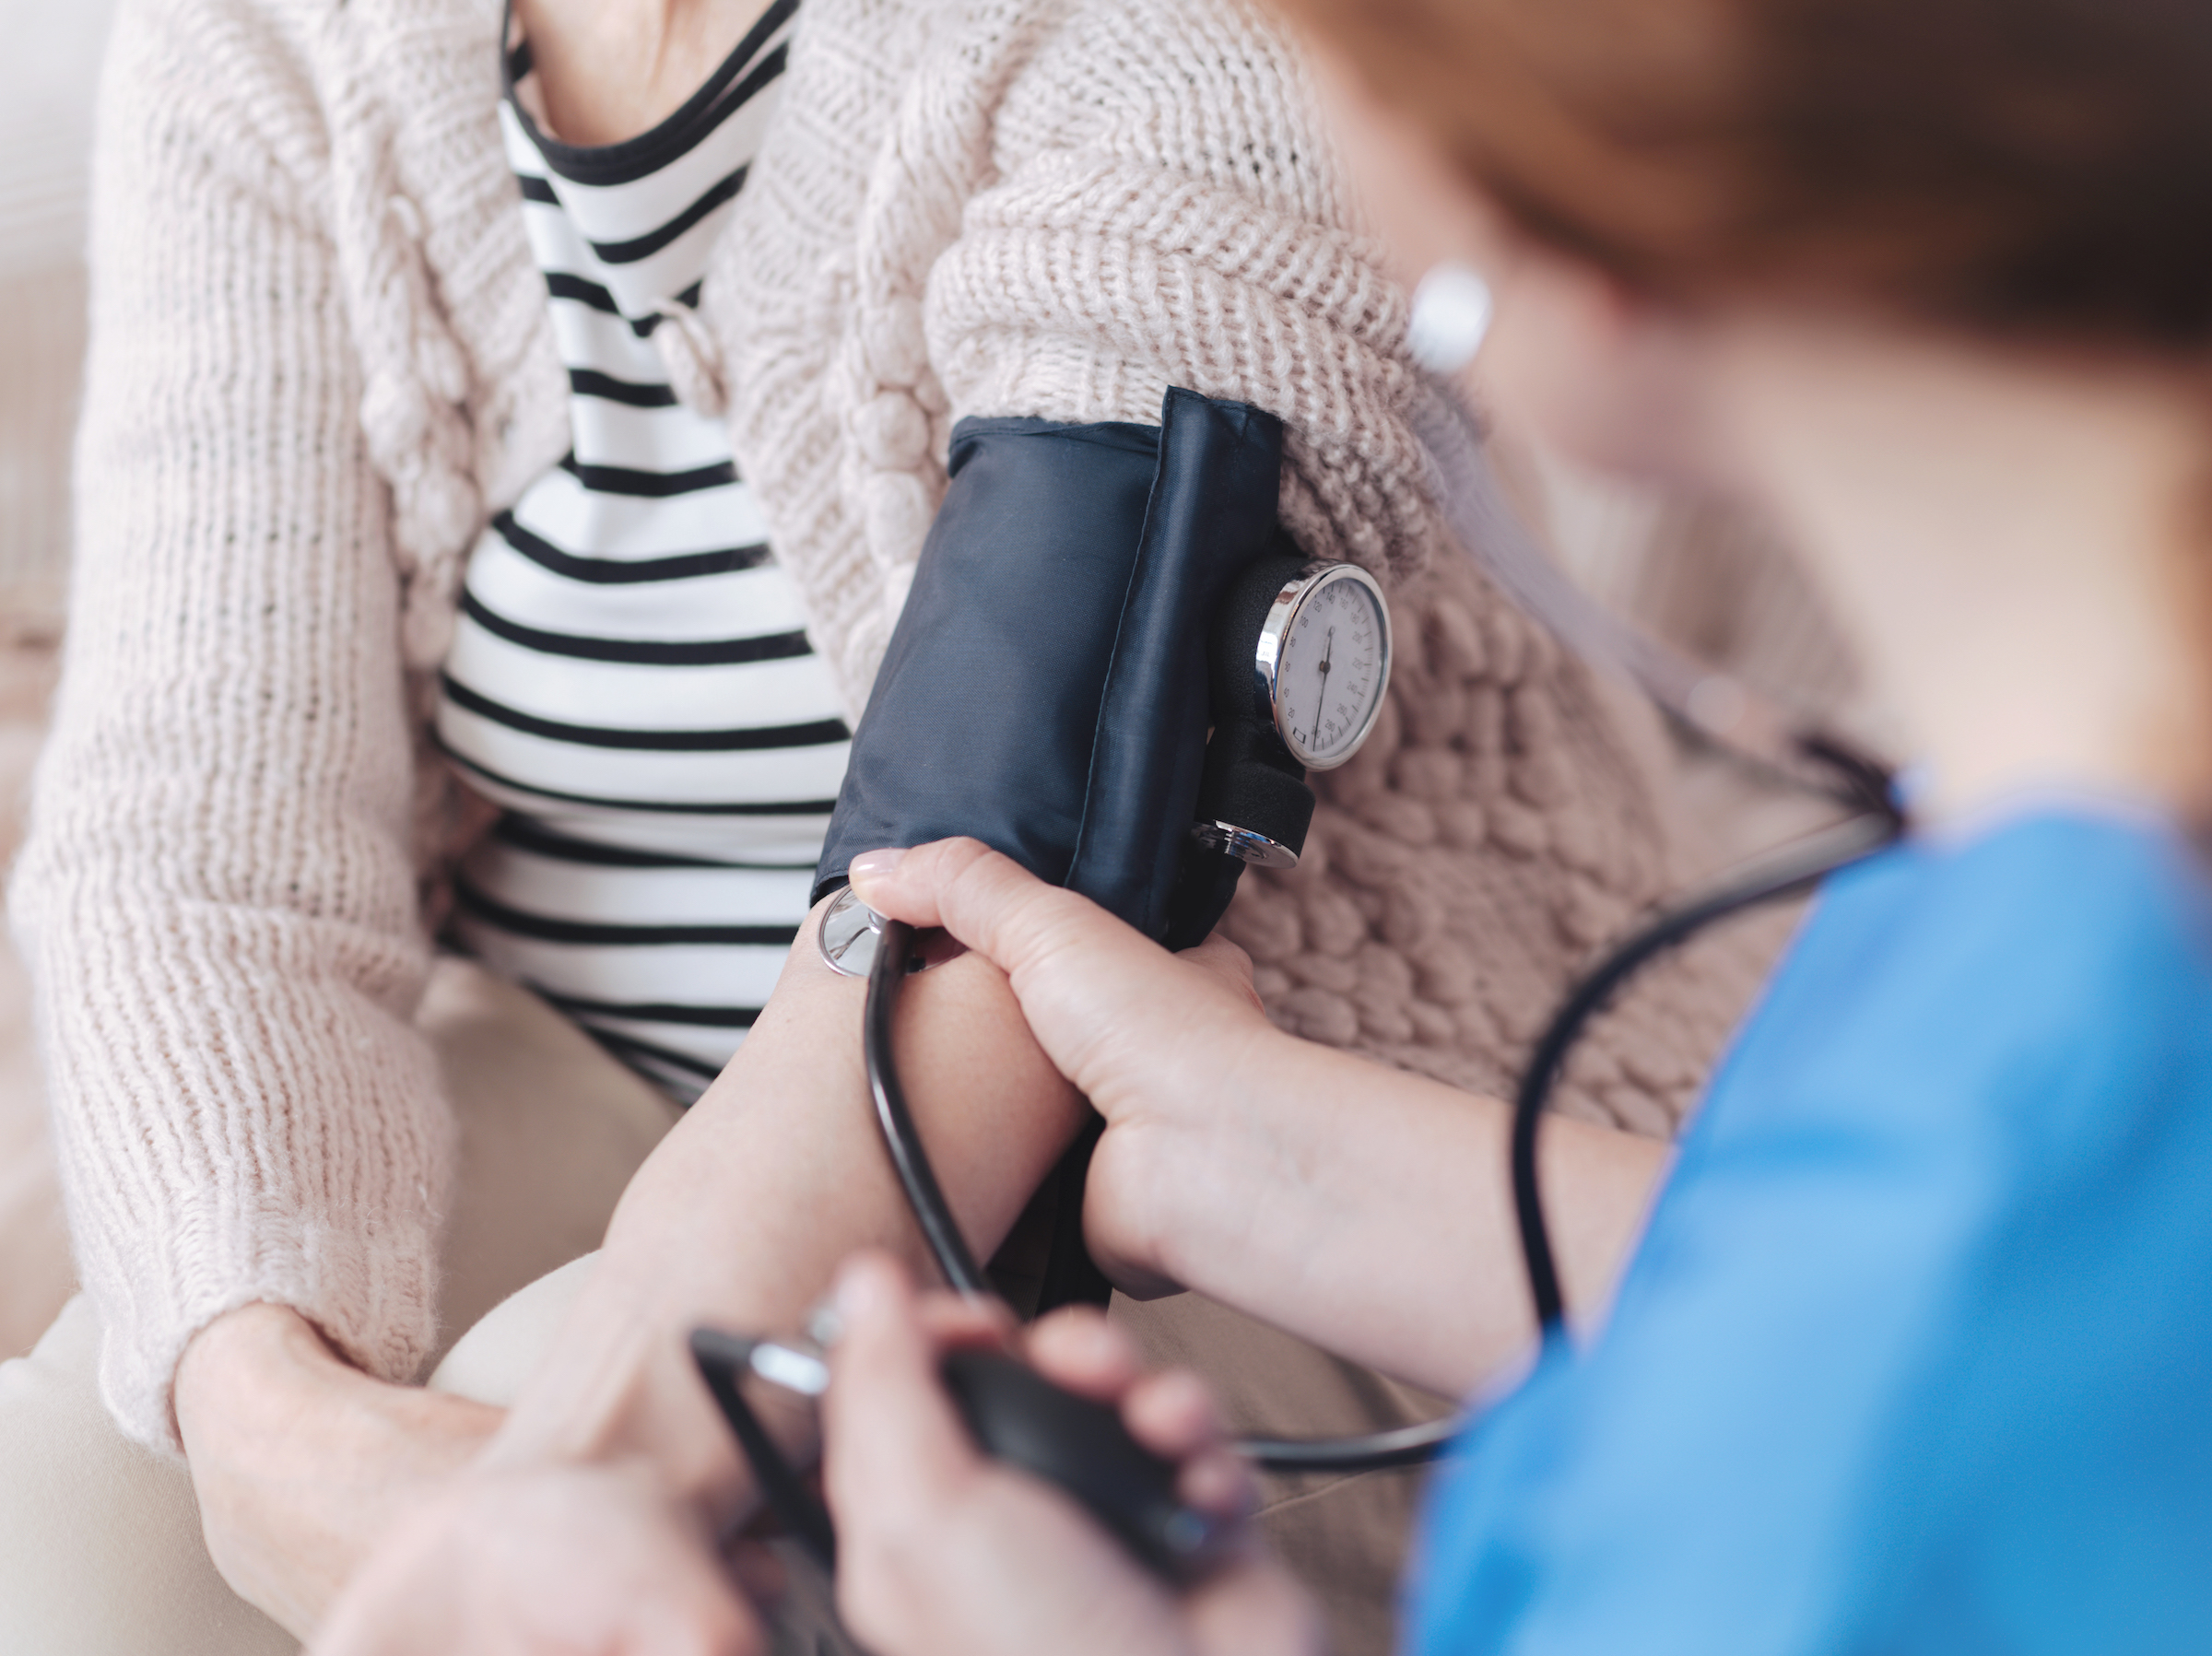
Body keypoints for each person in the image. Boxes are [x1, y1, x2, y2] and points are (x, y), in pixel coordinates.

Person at [429, 0, 2212, 1648]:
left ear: (1580, 226)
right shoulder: (2008, 989)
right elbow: (1864, 1312)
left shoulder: (2041, 1114)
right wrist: (1264, 1141)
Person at [0, 0, 1760, 1650]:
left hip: (1224, 1155)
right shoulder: (275, 41)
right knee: (88, 1501)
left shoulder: (1193, 39)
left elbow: (1016, 845)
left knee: (636, 1459)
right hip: (593, 1066)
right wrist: (270, 1432)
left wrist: (600, 1450)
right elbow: (194, 825)